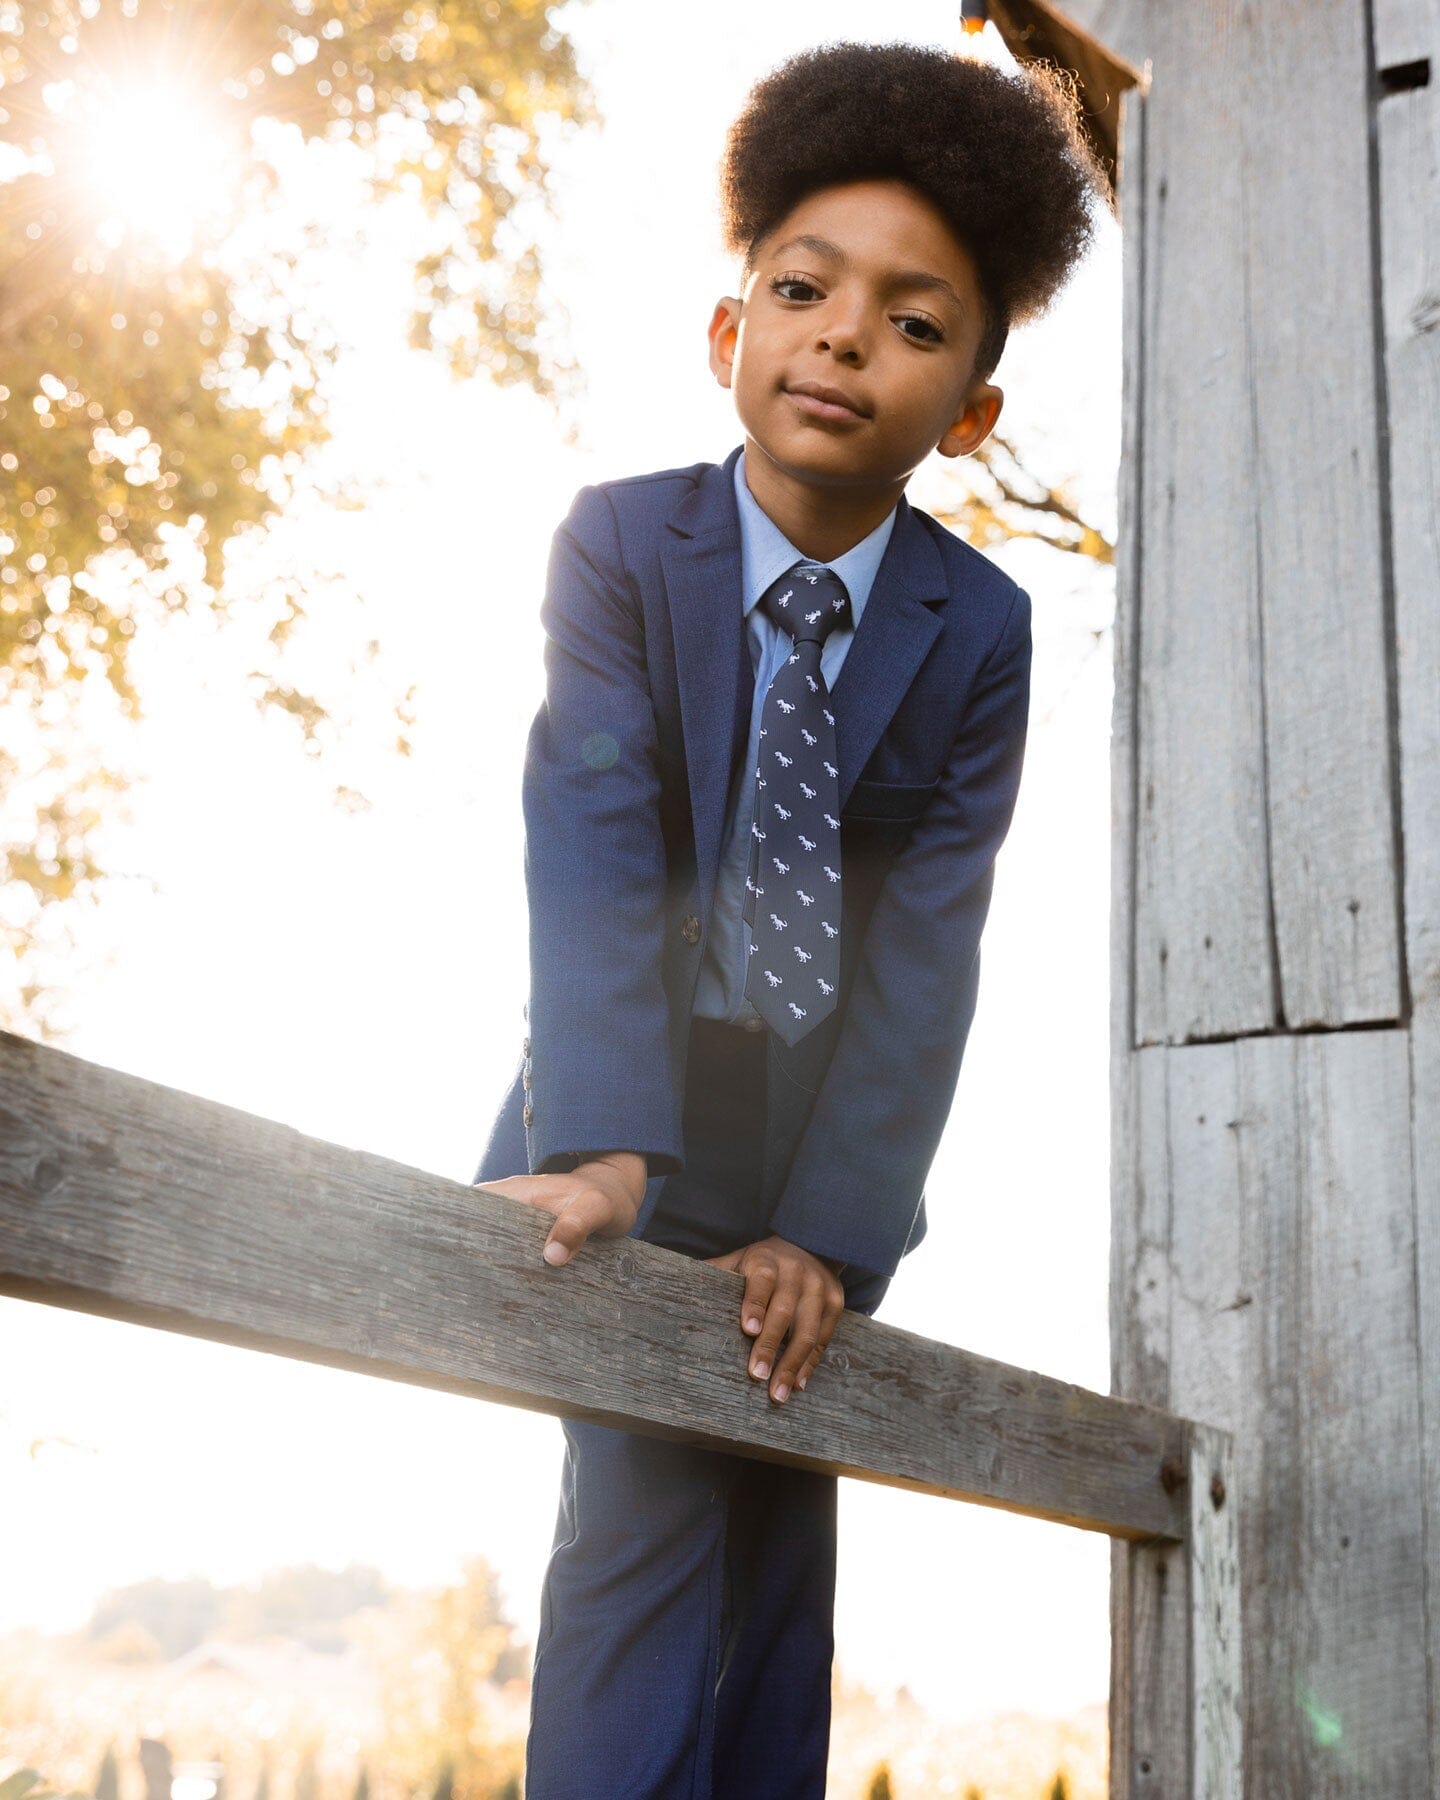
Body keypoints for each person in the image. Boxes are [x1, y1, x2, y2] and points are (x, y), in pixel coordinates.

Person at [472, 39, 1103, 1799]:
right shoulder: (616, 547)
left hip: (812, 1152)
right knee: (642, 1535)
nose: (844, 338)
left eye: (916, 324)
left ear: (970, 410)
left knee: (780, 1556)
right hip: (631, 1128)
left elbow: (928, 952)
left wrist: (833, 1235)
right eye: (805, 290)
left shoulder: (978, 634)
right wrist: (602, 1146)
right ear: (727, 331)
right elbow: (591, 841)